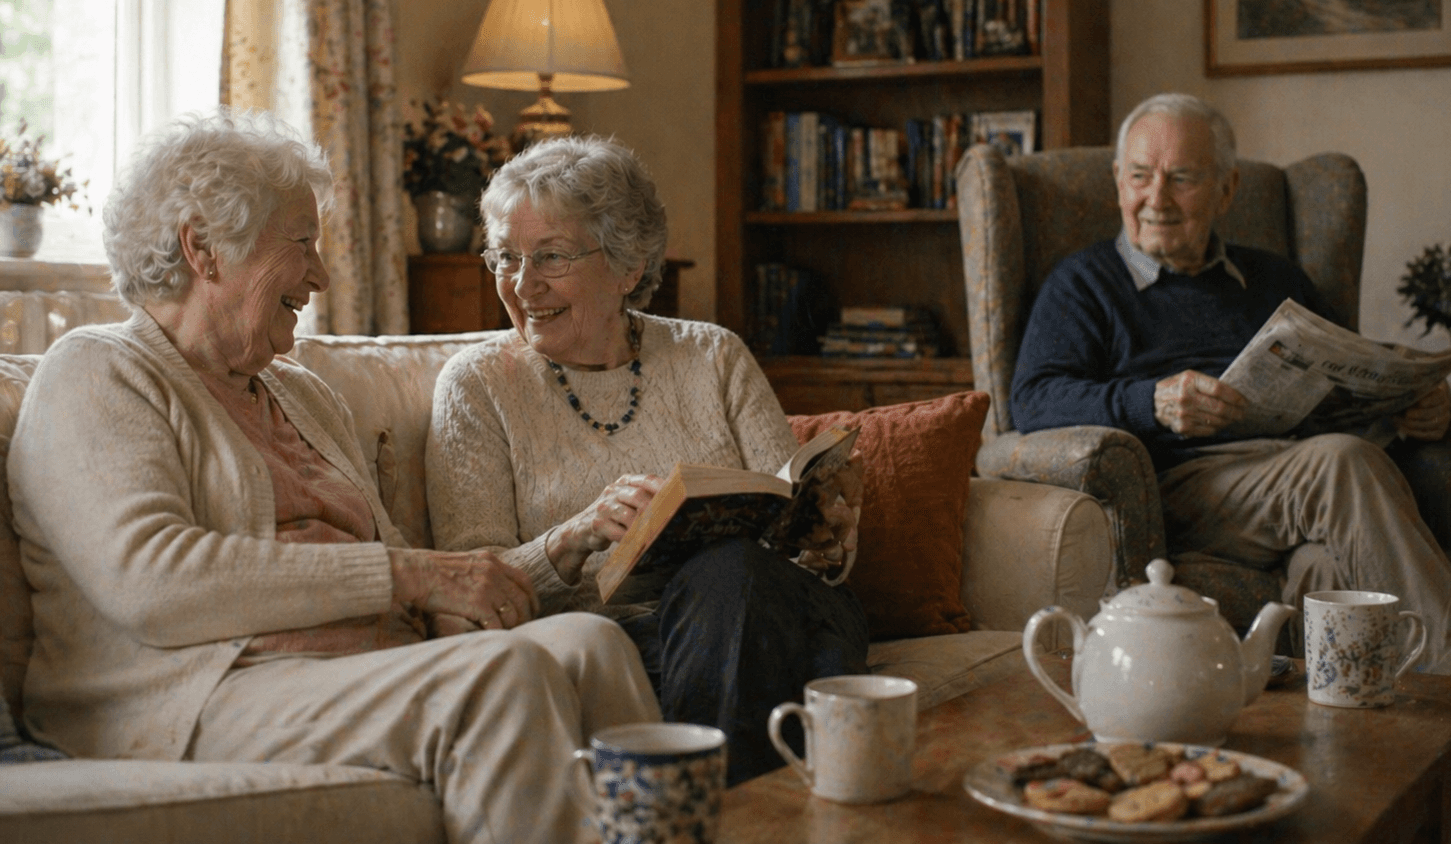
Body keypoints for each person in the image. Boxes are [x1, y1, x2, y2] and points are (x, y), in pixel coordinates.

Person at [7, 111, 660, 844]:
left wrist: (453, 600)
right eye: (302, 244)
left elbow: (405, 572)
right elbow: (152, 583)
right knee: (499, 677)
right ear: (204, 248)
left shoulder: (301, 391)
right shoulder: (97, 369)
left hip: (352, 667)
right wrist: (413, 577)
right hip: (195, 689)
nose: (320, 274)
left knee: (589, 645)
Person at [1008, 91, 1451, 811]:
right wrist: (1150, 400)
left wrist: (1415, 408)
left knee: (1328, 573)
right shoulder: (1083, 283)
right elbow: (1031, 401)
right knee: (1340, 463)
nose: (1155, 197)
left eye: (1182, 177)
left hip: (1304, 485)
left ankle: (1410, 786)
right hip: (1183, 485)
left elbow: (1348, 377)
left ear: (1226, 187)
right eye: (1139, 175)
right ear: (1116, 181)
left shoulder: (1276, 279)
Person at [425, 134, 867, 785]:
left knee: (739, 575)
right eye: (506, 256)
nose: (522, 284)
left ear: (628, 267)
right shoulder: (477, 385)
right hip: (629, 647)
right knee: (790, 638)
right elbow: (468, 591)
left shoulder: (712, 355)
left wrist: (826, 531)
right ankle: (746, 808)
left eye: (550, 255)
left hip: (765, 606)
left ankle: (686, 807)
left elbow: (787, 509)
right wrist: (575, 535)